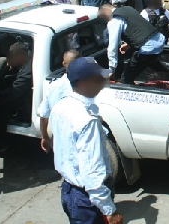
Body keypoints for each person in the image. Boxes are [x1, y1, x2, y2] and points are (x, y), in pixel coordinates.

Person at [50, 58, 123, 224]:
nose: (103, 82)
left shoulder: (61, 106)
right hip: (87, 199)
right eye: (98, 78)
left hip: (69, 191)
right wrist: (110, 211)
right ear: (85, 82)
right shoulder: (86, 120)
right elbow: (92, 171)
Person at [98, 5, 166, 84]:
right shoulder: (128, 9)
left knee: (126, 79)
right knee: (149, 62)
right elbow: (137, 28)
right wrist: (128, 45)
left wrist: (111, 70)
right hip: (158, 40)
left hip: (149, 48)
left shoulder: (114, 20)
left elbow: (112, 47)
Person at [0, 42, 32, 155]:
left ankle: (0, 143)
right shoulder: (30, 56)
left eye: (11, 58)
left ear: (20, 56)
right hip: (26, 91)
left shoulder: (28, 71)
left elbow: (13, 93)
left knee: (0, 108)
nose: (8, 60)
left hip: (26, 99)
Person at [37, 50, 80, 153]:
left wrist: (45, 136)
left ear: (63, 64)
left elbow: (43, 116)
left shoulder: (53, 87)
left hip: (60, 143)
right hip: (79, 143)